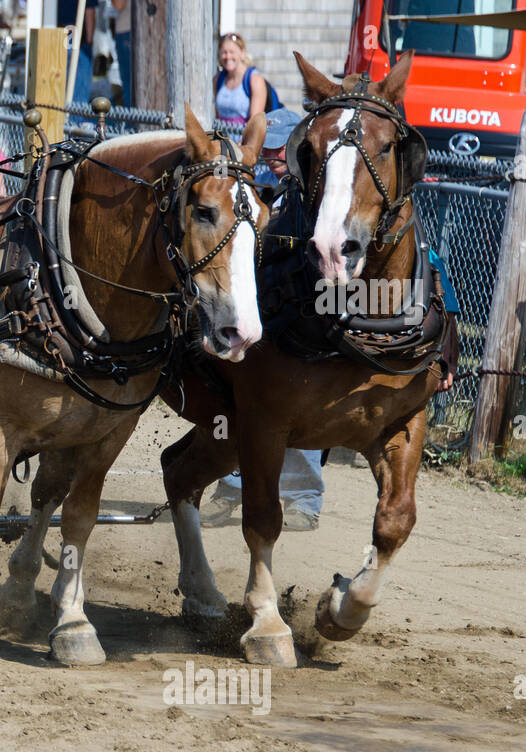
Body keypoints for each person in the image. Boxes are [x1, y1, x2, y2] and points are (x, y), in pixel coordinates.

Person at [201, 106, 323, 532]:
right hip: (257, 312)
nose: (271, 158)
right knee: (244, 408)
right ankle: (231, 489)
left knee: (298, 404)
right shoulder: (249, 190)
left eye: (278, 151)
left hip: (300, 317)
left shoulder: (311, 195)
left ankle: (305, 499)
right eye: (267, 150)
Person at [214, 32, 268, 125]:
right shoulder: (218, 79)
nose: (228, 57)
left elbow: (255, 125)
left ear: (242, 53)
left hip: (246, 138)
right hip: (222, 138)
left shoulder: (255, 80)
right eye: (224, 52)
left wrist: (243, 140)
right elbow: (218, 117)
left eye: (232, 52)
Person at [60, 0, 97, 104]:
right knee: (77, 96)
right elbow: (89, 11)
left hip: (56, 33)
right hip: (77, 37)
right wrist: (89, 42)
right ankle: (73, 120)